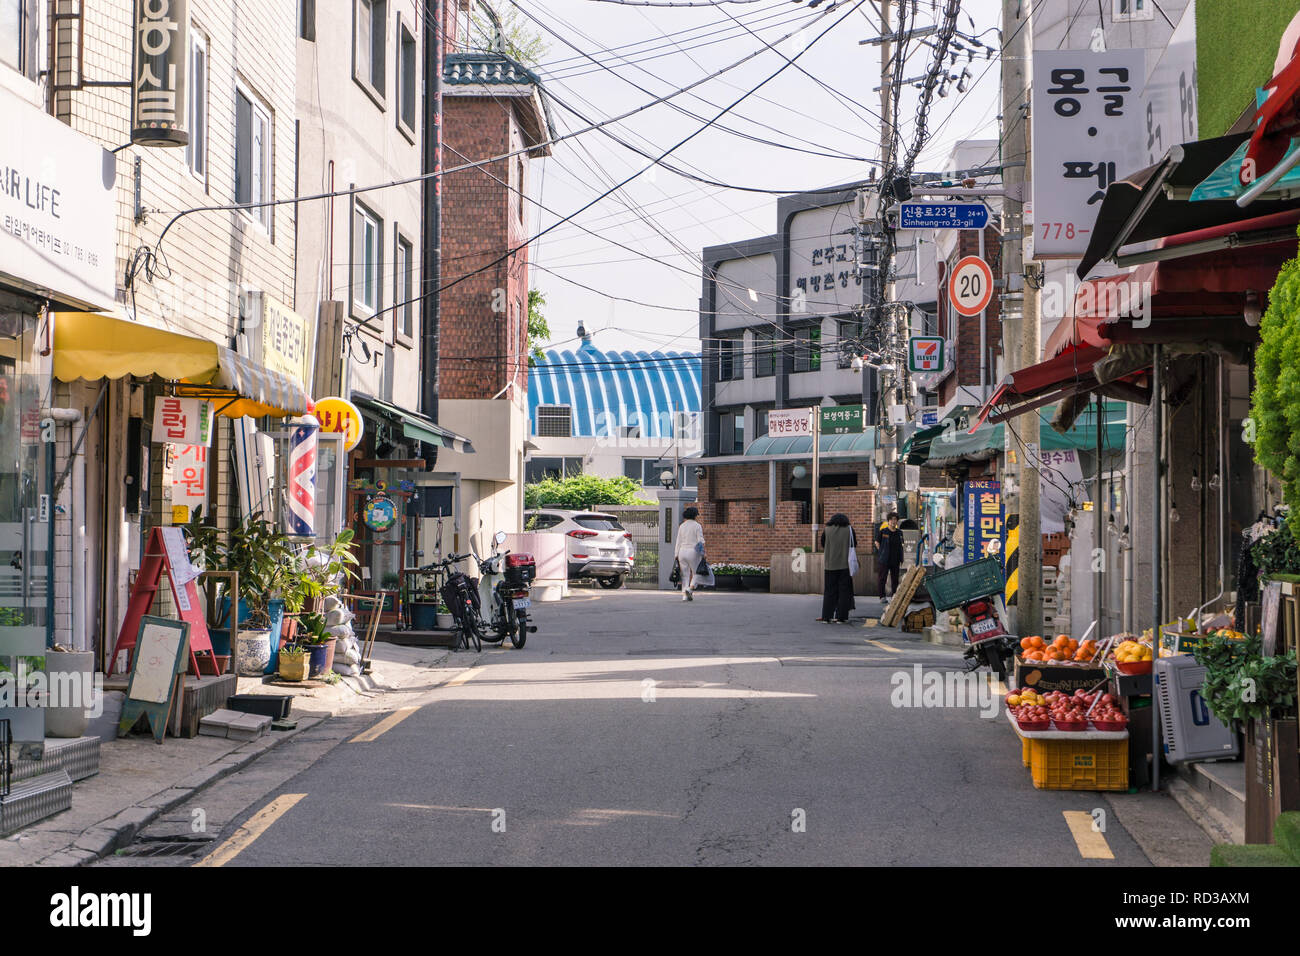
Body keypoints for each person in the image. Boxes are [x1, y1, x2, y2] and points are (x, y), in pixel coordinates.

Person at [819, 513, 855, 623]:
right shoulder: (849, 529)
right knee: (844, 591)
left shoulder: (827, 529)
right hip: (845, 565)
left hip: (830, 565)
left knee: (829, 591)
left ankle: (826, 616)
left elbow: (822, 543)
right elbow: (854, 544)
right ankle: (841, 617)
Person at [675, 506, 705, 601]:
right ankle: (690, 589)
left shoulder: (682, 526)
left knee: (685, 574)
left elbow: (678, 541)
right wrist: (703, 552)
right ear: (695, 515)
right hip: (693, 551)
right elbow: (700, 541)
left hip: (682, 552)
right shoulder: (697, 525)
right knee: (697, 573)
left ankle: (684, 595)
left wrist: (676, 554)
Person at [875, 511, 905, 600]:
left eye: (895, 519)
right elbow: (877, 542)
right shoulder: (883, 531)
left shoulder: (899, 533)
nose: (893, 521)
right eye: (891, 519)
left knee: (895, 579)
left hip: (895, 559)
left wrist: (901, 558)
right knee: (882, 578)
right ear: (888, 521)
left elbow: (901, 545)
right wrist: (881, 552)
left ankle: (894, 596)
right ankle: (882, 596)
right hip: (884, 559)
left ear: (897, 521)